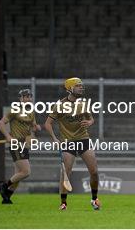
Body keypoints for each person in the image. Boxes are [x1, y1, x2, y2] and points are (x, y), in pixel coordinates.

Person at [44, 77, 100, 211]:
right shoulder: (60, 105)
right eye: (78, 86)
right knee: (66, 173)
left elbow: (91, 118)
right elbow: (47, 124)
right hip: (68, 142)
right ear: (70, 88)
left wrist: (90, 122)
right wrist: (55, 139)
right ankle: (63, 203)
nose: (82, 88)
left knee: (94, 172)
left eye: (82, 85)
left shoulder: (83, 104)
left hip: (84, 140)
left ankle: (94, 199)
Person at [0, 89, 41, 204]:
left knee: (19, 175)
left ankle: (6, 197)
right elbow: (1, 123)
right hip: (16, 144)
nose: (29, 99)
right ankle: (4, 186)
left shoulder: (31, 111)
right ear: (21, 98)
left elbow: (32, 127)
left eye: (30, 96)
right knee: (26, 172)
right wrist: (8, 136)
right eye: (26, 96)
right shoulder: (15, 109)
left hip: (24, 145)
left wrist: (36, 130)